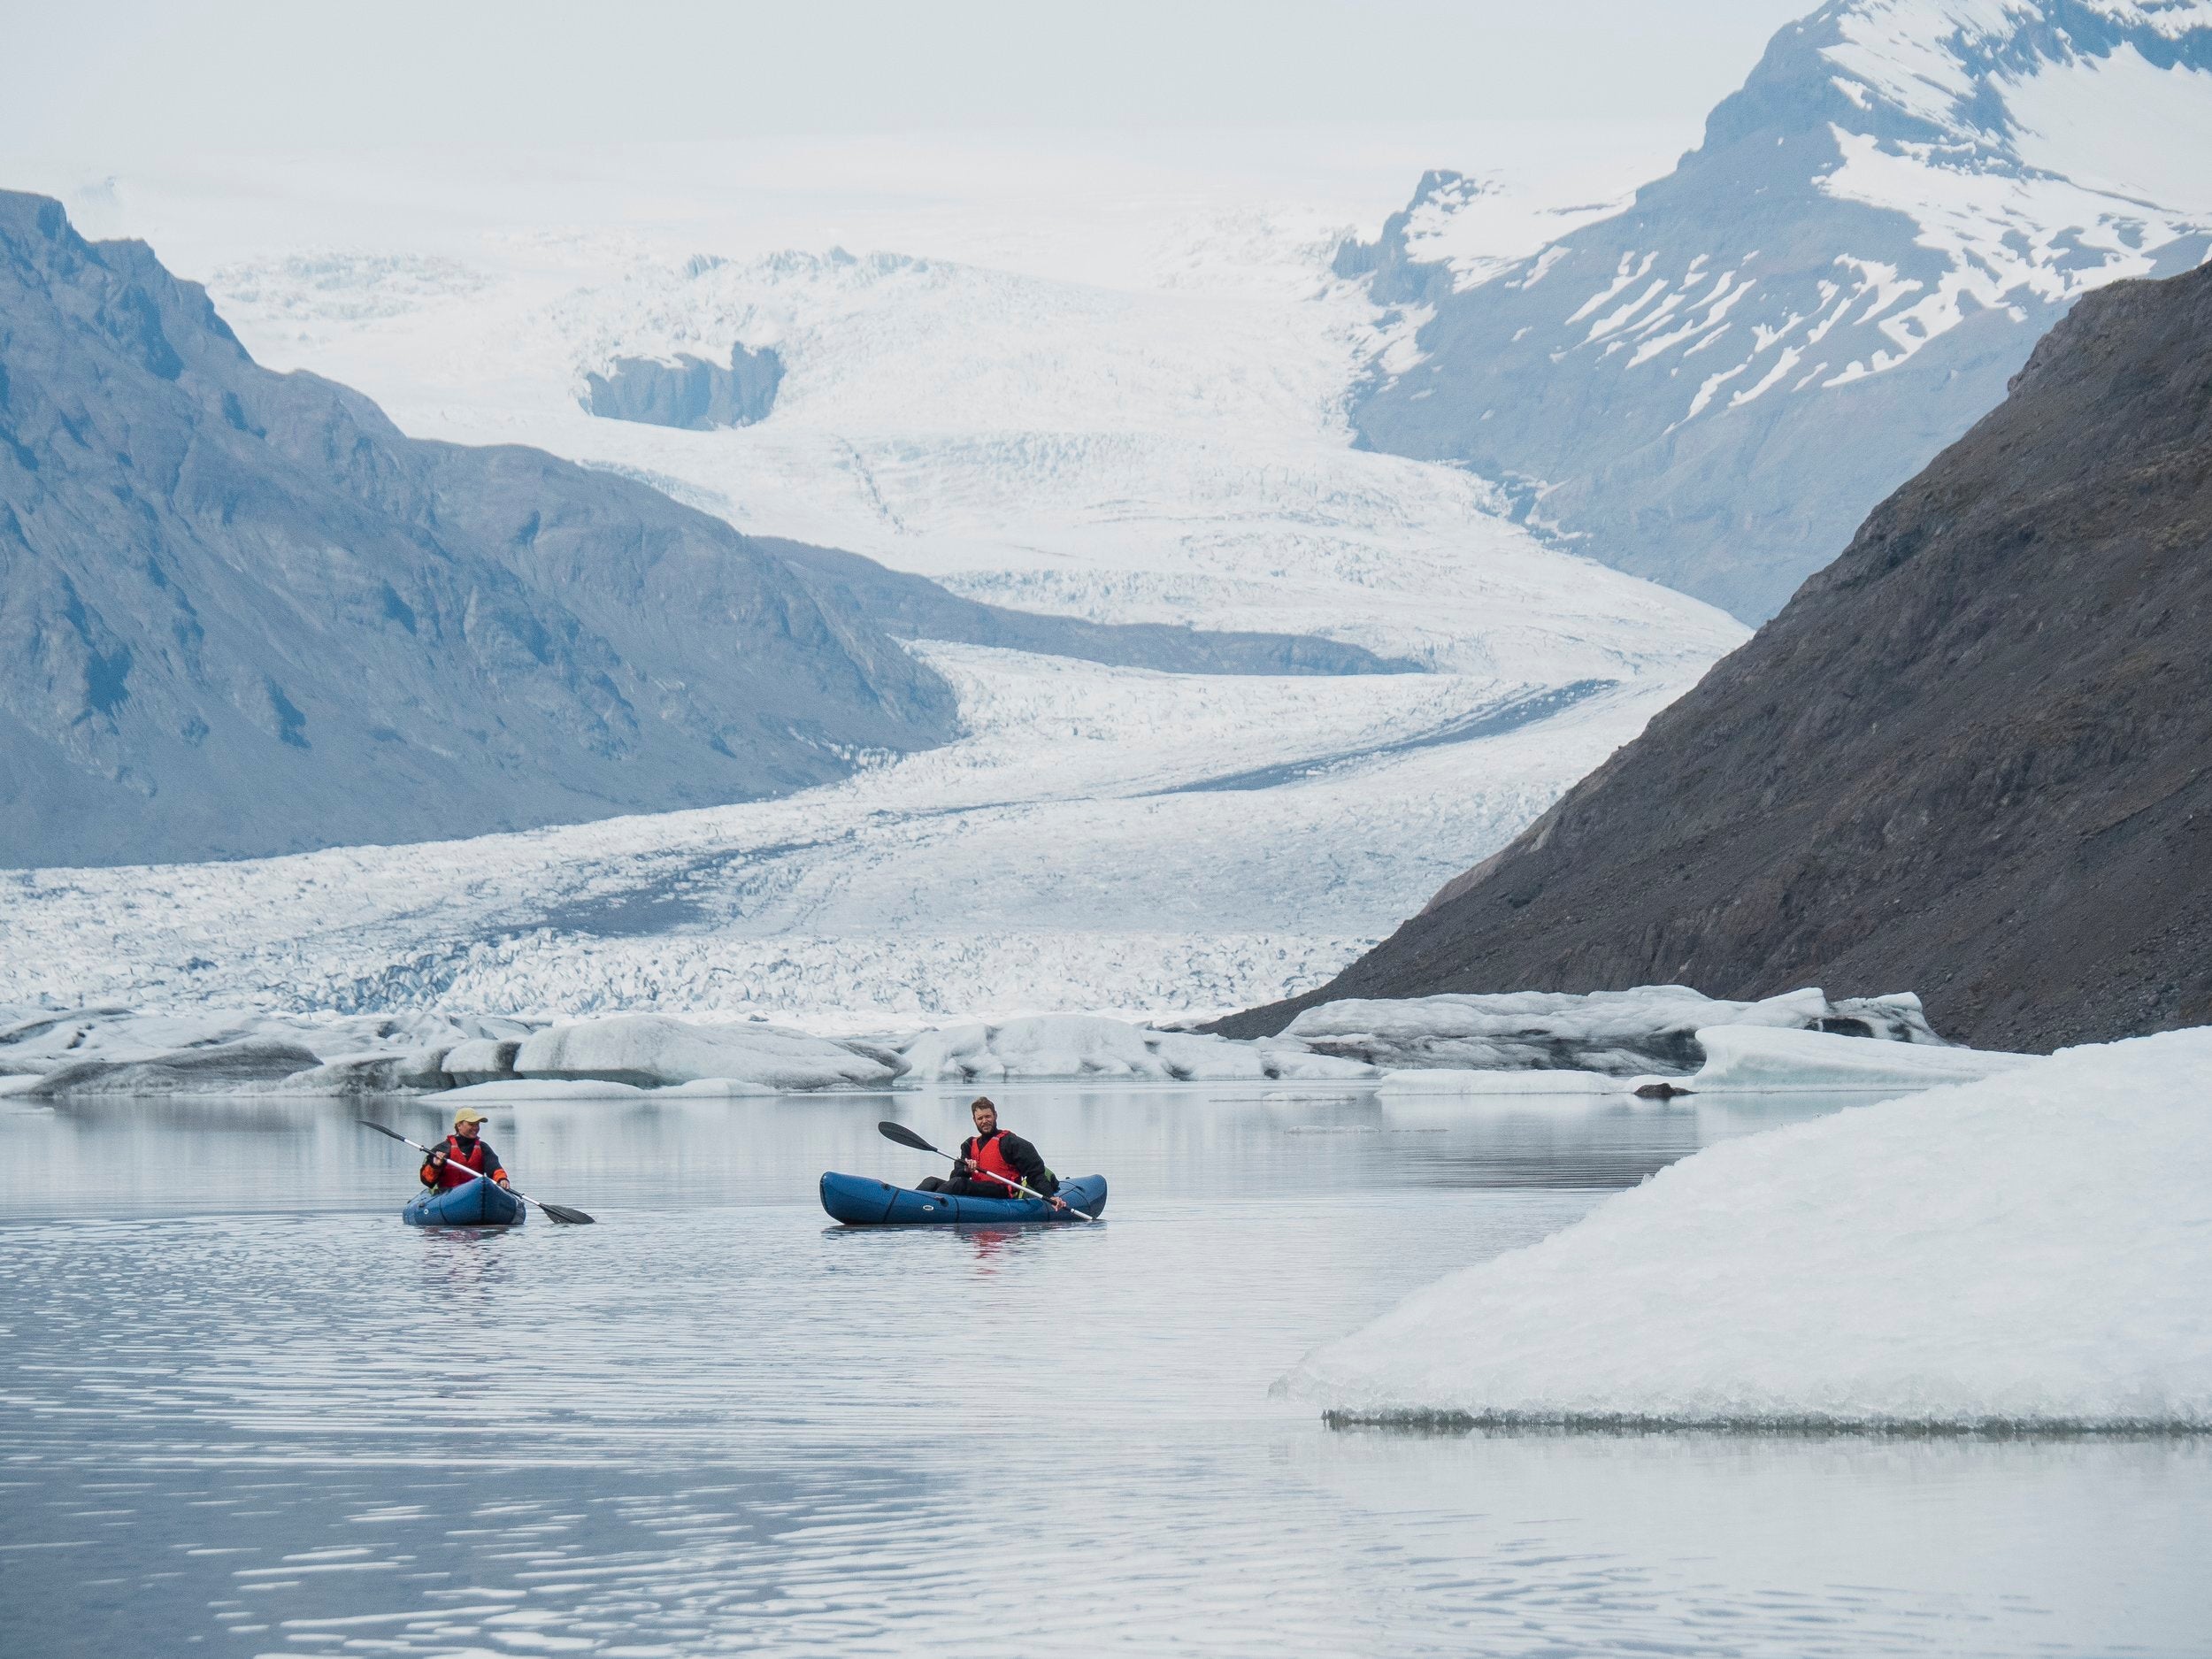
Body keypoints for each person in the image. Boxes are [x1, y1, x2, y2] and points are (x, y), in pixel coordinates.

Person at [918, 1097, 1064, 1210]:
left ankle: (924, 1207)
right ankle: (910, 1201)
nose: (984, 1121)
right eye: (980, 1118)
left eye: (988, 1116)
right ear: (974, 1120)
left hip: (1002, 1191)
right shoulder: (969, 1144)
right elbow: (954, 1177)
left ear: (995, 1116)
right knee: (932, 1181)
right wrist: (965, 1169)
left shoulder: (1011, 1142)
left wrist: (1051, 1197)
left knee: (959, 1184)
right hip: (977, 1189)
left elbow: (1035, 1174)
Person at [420, 1108, 511, 1191]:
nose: (476, 1128)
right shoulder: (442, 1149)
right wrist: (435, 1166)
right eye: (471, 1124)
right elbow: (427, 1181)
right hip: (448, 1194)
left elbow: (494, 1167)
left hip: (476, 1192)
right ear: (459, 1125)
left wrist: (502, 1179)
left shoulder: (483, 1148)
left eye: (477, 1124)